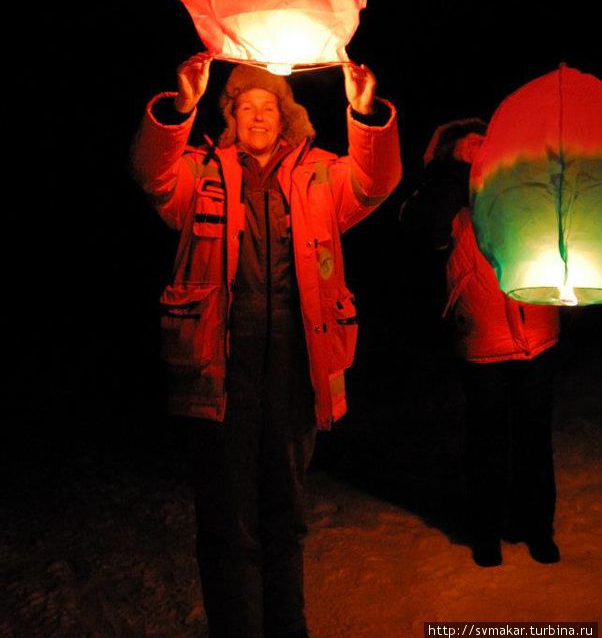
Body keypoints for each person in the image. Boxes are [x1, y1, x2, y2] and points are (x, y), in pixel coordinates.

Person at [131, 54, 401, 637]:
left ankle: (290, 627)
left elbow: (376, 182)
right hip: (219, 371)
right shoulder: (198, 171)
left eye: (269, 106)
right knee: (229, 520)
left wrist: (364, 113)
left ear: (288, 117)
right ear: (230, 116)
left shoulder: (322, 173)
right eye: (246, 106)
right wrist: (181, 108)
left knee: (287, 513)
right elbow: (150, 174)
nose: (258, 115)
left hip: (296, 369)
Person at [399, 119, 560, 568]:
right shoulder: (441, 194)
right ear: (449, 151)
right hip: (481, 333)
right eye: (468, 143)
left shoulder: (523, 180)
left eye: (485, 140)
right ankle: (485, 532)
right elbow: (420, 229)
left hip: (538, 330)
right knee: (487, 439)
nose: (479, 147)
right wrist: (457, 177)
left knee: (534, 437)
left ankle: (537, 528)